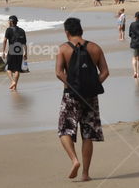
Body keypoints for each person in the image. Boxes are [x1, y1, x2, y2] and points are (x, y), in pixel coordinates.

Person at [56, 17, 109, 182]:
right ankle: (86, 174)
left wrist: (72, 87)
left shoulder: (63, 49)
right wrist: (92, 85)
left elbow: (59, 73)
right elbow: (105, 72)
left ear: (67, 32)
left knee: (64, 130)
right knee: (87, 134)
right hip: (90, 97)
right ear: (81, 30)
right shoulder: (95, 48)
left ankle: (74, 160)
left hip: (70, 96)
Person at [2, 15, 27, 91]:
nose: (8, 22)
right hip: (20, 50)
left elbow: (5, 41)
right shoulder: (22, 30)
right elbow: (24, 43)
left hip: (12, 49)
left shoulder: (8, 30)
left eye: (9, 21)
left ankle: (13, 81)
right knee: (17, 69)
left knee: (8, 68)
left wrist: (3, 51)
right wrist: (25, 53)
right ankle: (15, 86)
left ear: (11, 22)